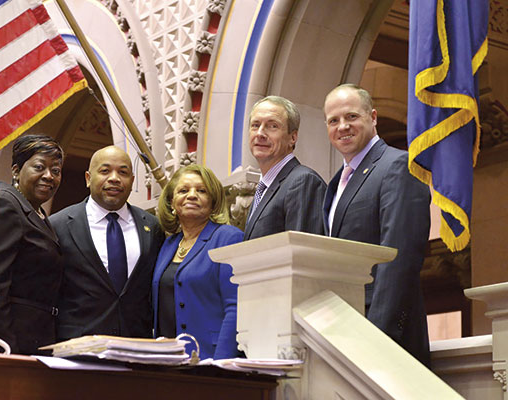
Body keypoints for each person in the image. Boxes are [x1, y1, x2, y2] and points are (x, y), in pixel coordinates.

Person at [322, 83, 431, 365]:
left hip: (383, 334)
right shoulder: (336, 183)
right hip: (344, 327)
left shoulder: (398, 165)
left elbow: (399, 257)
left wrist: (376, 336)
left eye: (352, 117)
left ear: (373, 117)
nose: (342, 126)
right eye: (333, 120)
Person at [0, 134, 64, 355]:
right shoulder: (3, 206)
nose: (48, 176)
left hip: (36, 341)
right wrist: (6, 351)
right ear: (16, 170)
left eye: (55, 171)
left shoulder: (37, 214)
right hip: (9, 346)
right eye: (39, 167)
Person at [50, 146, 164, 341]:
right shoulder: (58, 225)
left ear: (132, 181)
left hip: (137, 348)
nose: (114, 178)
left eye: (123, 172)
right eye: (105, 171)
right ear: (88, 178)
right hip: (78, 350)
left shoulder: (152, 227)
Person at [152, 164, 242, 360]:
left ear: (212, 201)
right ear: (172, 202)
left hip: (209, 358)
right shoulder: (168, 245)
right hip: (166, 360)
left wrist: (221, 364)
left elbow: (235, 307)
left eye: (201, 191)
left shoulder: (228, 238)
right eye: (183, 190)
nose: (192, 195)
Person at [244, 95, 327, 240]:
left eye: (272, 126)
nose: (260, 134)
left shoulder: (303, 182)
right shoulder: (264, 188)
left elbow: (302, 252)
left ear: (292, 138)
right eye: (255, 125)